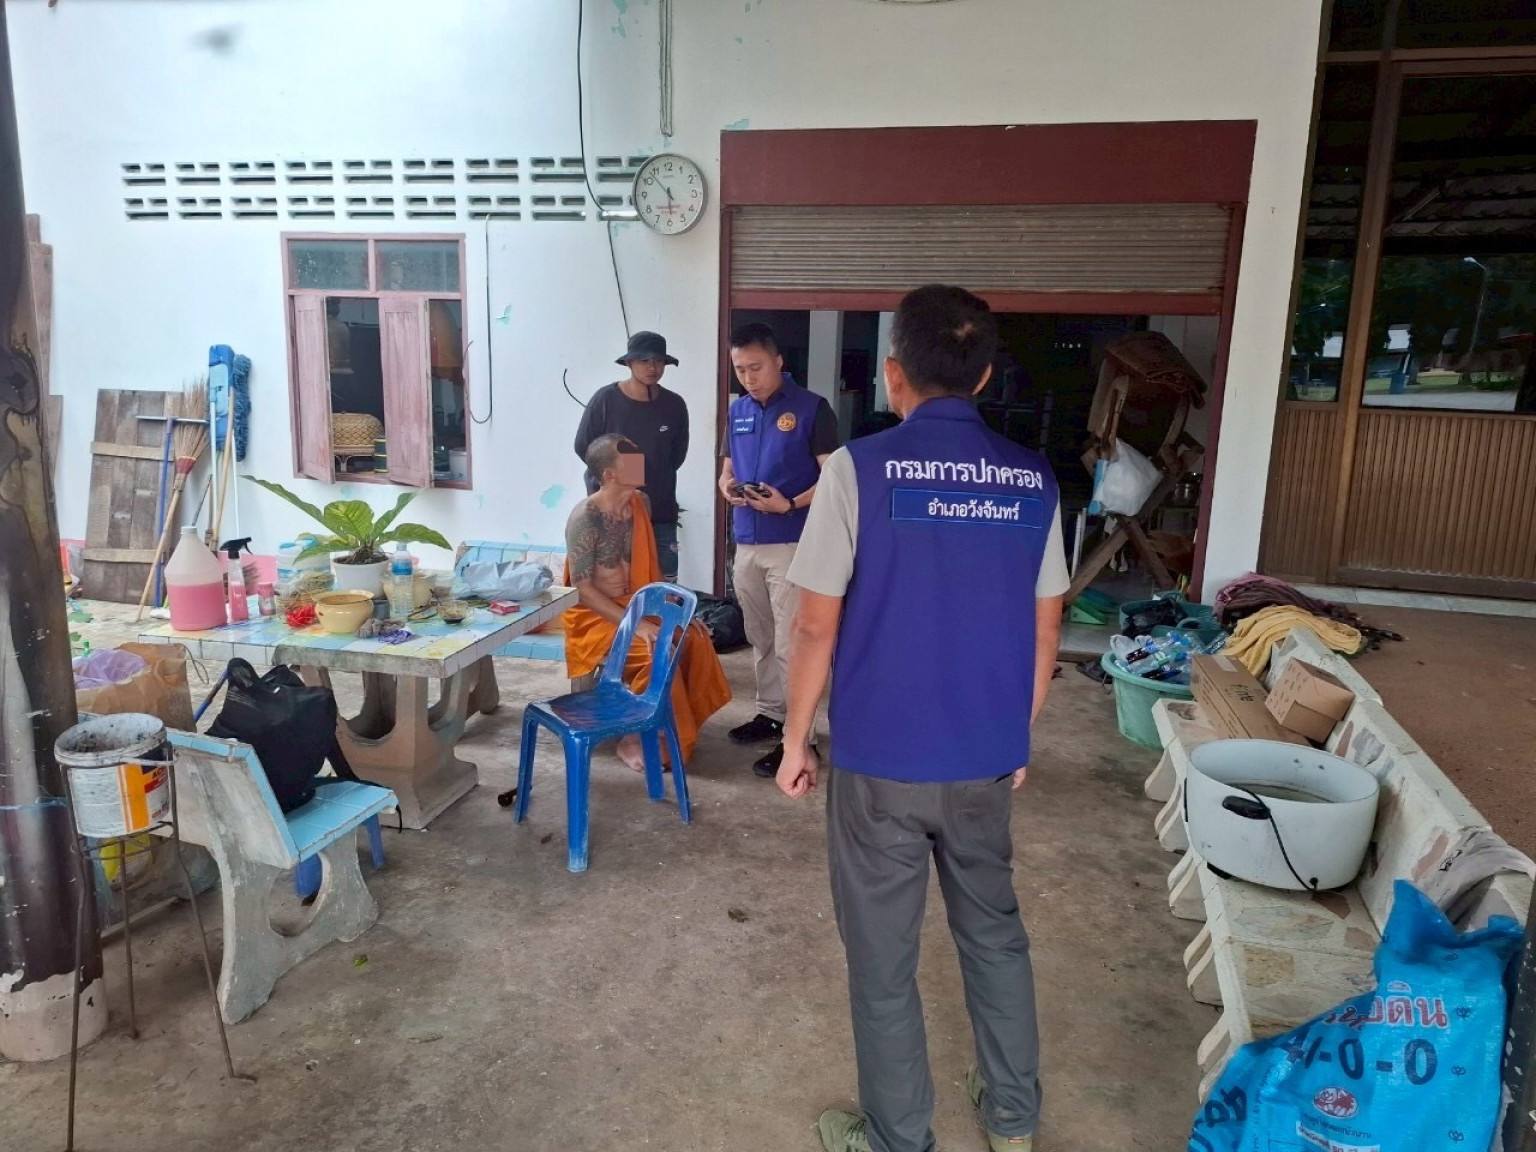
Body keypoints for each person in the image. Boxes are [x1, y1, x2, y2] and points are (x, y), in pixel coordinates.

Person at [777, 285, 1070, 1152]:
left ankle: (900, 1138)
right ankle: (1013, 1121)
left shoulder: (855, 470)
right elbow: (1046, 626)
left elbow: (815, 624)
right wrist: (1015, 733)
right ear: (983, 376)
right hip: (984, 759)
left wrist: (796, 740)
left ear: (893, 373)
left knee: (883, 961)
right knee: (995, 939)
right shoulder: (1033, 478)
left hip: (880, 763)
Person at [562, 434, 730, 771]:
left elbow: (649, 570)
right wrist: (635, 626)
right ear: (610, 474)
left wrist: (678, 612)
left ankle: (673, 726)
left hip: (639, 603)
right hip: (598, 615)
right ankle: (634, 737)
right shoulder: (585, 517)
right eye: (631, 460)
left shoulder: (641, 503)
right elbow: (583, 590)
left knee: (694, 637)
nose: (642, 464)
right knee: (658, 651)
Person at [717, 322, 840, 779]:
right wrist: (727, 486)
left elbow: (833, 477)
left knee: (792, 644)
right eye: (740, 370)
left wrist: (790, 504)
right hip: (747, 541)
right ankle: (771, 712)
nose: (749, 378)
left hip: (791, 542)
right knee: (761, 636)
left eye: (757, 367)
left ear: (778, 362)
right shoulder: (738, 412)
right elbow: (727, 467)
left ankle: (800, 738)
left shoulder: (811, 408)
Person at [574, 332, 691, 581]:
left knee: (663, 584)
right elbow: (585, 447)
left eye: (659, 361)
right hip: (612, 513)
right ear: (629, 363)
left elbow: (676, 456)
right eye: (644, 361)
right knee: (614, 583)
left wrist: (652, 479)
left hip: (660, 510)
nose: (652, 367)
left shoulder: (674, 405)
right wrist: (618, 485)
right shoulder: (605, 400)